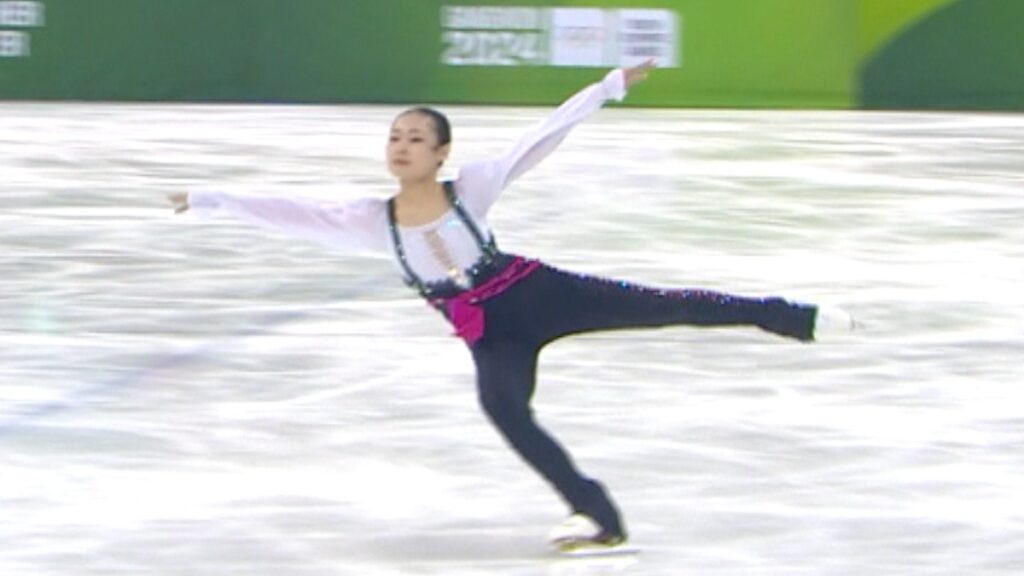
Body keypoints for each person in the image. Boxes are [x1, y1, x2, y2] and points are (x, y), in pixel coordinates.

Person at [168, 60, 852, 551]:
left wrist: (606, 89)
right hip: (488, 334)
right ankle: (599, 516)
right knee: (504, 410)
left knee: (665, 305)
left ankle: (789, 315)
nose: (401, 145)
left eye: (415, 137)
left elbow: (540, 139)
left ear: (441, 153)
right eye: (394, 137)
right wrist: (209, 199)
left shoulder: (472, 188)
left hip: (537, 293)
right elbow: (290, 213)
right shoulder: (369, 220)